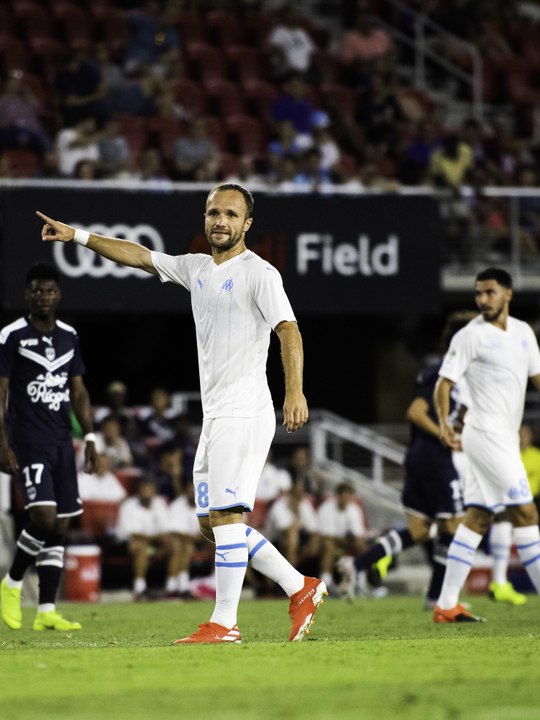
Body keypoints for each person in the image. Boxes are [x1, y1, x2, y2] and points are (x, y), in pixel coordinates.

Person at [36, 182, 326, 644]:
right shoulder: (195, 269)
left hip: (245, 411)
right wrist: (76, 236)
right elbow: (138, 255)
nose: (221, 221)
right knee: (211, 527)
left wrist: (296, 391)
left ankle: (225, 623)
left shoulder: (260, 273)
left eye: (231, 214)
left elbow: (288, 330)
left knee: (229, 517)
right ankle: (300, 586)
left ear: (247, 224)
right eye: (214, 213)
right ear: (205, 218)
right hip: (215, 418)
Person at [432, 267, 540, 623]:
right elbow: (443, 384)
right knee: (527, 512)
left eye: (489, 292)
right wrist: (444, 422)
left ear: (508, 294)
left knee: (478, 518)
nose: (482, 299)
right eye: (478, 293)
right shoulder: (469, 336)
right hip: (485, 435)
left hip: (503, 437)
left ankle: (445, 603)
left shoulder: (523, 332)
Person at [337, 312, 474, 605]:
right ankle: (440, 599)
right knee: (453, 526)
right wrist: (444, 434)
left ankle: (356, 566)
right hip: (434, 457)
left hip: (422, 456)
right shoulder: (441, 372)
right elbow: (415, 411)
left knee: (419, 530)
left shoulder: (452, 375)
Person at [0, 262, 98, 632]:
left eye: (50, 291)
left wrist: (89, 437)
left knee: (62, 526)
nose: (44, 297)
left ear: (58, 295)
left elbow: (79, 390)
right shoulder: (12, 336)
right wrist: (1, 443)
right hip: (28, 441)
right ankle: (12, 581)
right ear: (27, 295)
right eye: (37, 291)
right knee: (44, 518)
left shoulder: (69, 335)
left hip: (60, 441)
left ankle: (46, 611)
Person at [117, 476, 172, 600]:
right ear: (138, 490)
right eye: (143, 489)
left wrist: (158, 539)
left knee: (175, 545)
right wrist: (155, 538)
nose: (146, 492)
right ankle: (139, 589)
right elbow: (132, 534)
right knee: (141, 546)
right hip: (126, 545)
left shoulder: (160, 503)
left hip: (153, 546)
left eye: (149, 489)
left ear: (154, 491)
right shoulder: (128, 505)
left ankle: (174, 588)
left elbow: (166, 531)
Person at [318, 483, 366, 592]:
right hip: (328, 543)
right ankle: (325, 584)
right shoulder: (326, 508)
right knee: (328, 546)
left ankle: (360, 581)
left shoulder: (354, 509)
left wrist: (353, 539)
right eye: (344, 497)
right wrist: (344, 539)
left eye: (348, 497)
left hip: (346, 543)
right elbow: (326, 535)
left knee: (361, 545)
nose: (346, 501)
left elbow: (358, 534)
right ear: (338, 496)